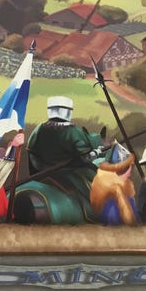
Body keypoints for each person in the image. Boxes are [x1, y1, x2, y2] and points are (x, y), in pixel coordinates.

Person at [16, 96, 106, 224]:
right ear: (68, 111)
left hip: (43, 172)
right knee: (94, 184)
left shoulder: (39, 129)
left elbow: (32, 154)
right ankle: (97, 212)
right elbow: (85, 158)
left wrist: (38, 171)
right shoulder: (73, 131)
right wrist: (96, 153)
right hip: (70, 174)